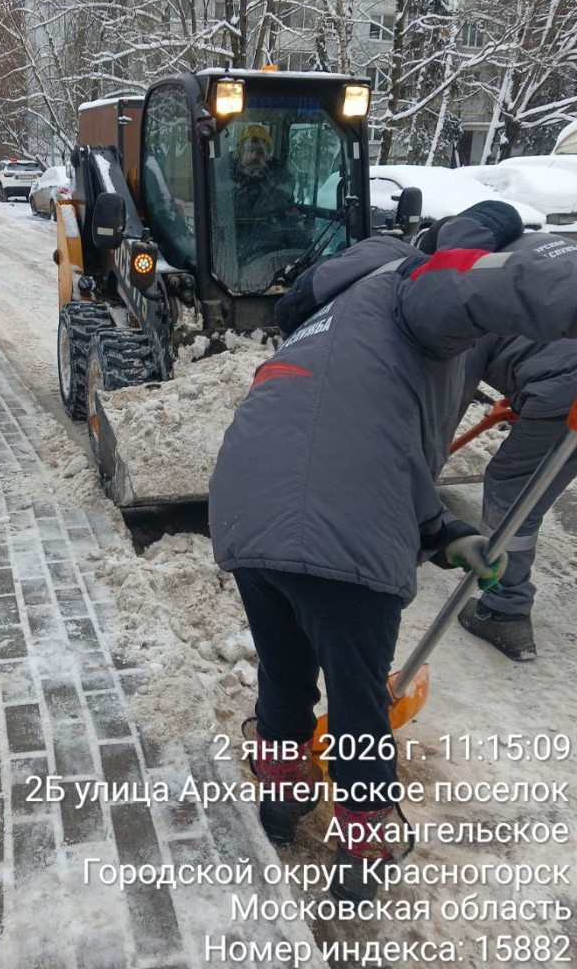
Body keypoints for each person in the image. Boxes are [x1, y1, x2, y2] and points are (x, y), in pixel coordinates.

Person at [208, 201, 577, 902]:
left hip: (246, 511)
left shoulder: (337, 307)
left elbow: (358, 438)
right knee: (357, 704)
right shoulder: (421, 285)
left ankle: (282, 801)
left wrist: (444, 533)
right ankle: (365, 842)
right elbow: (505, 280)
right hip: (339, 517)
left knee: (285, 674)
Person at [415, 210, 577, 661]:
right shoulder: (537, 247)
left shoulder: (470, 287)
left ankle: (504, 611)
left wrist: (414, 485)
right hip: (561, 387)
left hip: (567, 391)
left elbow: (444, 402)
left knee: (514, 489)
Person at [230, 124, 303, 257]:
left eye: (260, 152)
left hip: (273, 244)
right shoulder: (223, 178)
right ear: (239, 152)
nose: (254, 156)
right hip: (232, 246)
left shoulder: (280, 182)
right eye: (249, 150)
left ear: (268, 155)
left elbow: (289, 212)